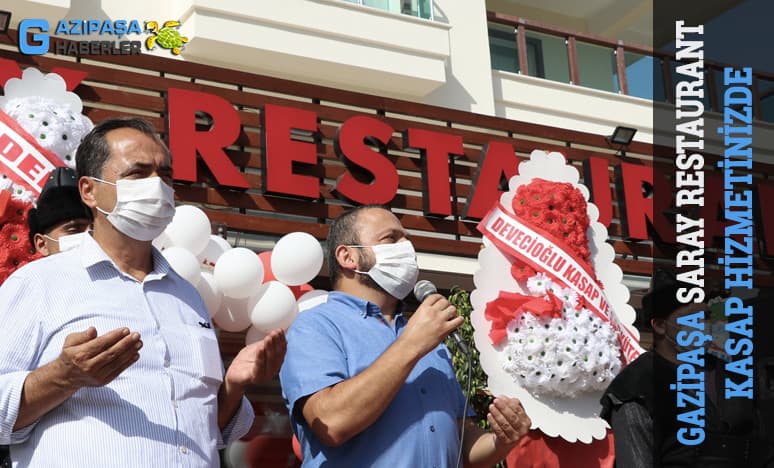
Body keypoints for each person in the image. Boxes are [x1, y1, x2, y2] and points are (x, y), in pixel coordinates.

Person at [0, 117, 286, 467]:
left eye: (164, 175)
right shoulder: (40, 283)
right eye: (138, 173)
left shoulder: (187, 297)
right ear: (89, 190)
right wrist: (64, 376)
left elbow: (204, 428)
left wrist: (234, 386)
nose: (157, 187)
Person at [279, 205, 531, 467]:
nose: (407, 248)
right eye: (392, 238)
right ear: (348, 257)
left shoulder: (429, 340)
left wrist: (502, 440)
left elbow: (461, 447)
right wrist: (412, 344)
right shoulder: (315, 326)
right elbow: (331, 423)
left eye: (407, 239)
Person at [600, 282, 773, 467]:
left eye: (706, 317)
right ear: (660, 326)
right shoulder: (637, 386)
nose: (703, 326)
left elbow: (764, 446)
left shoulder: (735, 374)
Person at [0, 167, 93, 468]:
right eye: (74, 229)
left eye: (93, 229)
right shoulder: (25, 286)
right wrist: (63, 375)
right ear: (40, 243)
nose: (87, 239)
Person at [27, 166, 93, 256]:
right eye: (73, 230)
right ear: (42, 245)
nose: (90, 236)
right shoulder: (29, 271)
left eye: (95, 229)